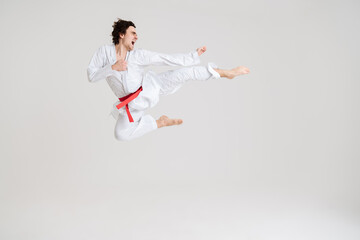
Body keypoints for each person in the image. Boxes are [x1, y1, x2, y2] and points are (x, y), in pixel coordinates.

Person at [87, 19, 250, 141]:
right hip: (132, 105)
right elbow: (92, 75)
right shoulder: (104, 53)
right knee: (121, 134)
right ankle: (160, 123)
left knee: (186, 73)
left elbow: (165, 59)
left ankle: (226, 72)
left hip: (153, 87)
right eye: (133, 33)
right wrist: (112, 68)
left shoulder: (138, 55)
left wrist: (192, 56)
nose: (137, 36)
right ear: (121, 34)